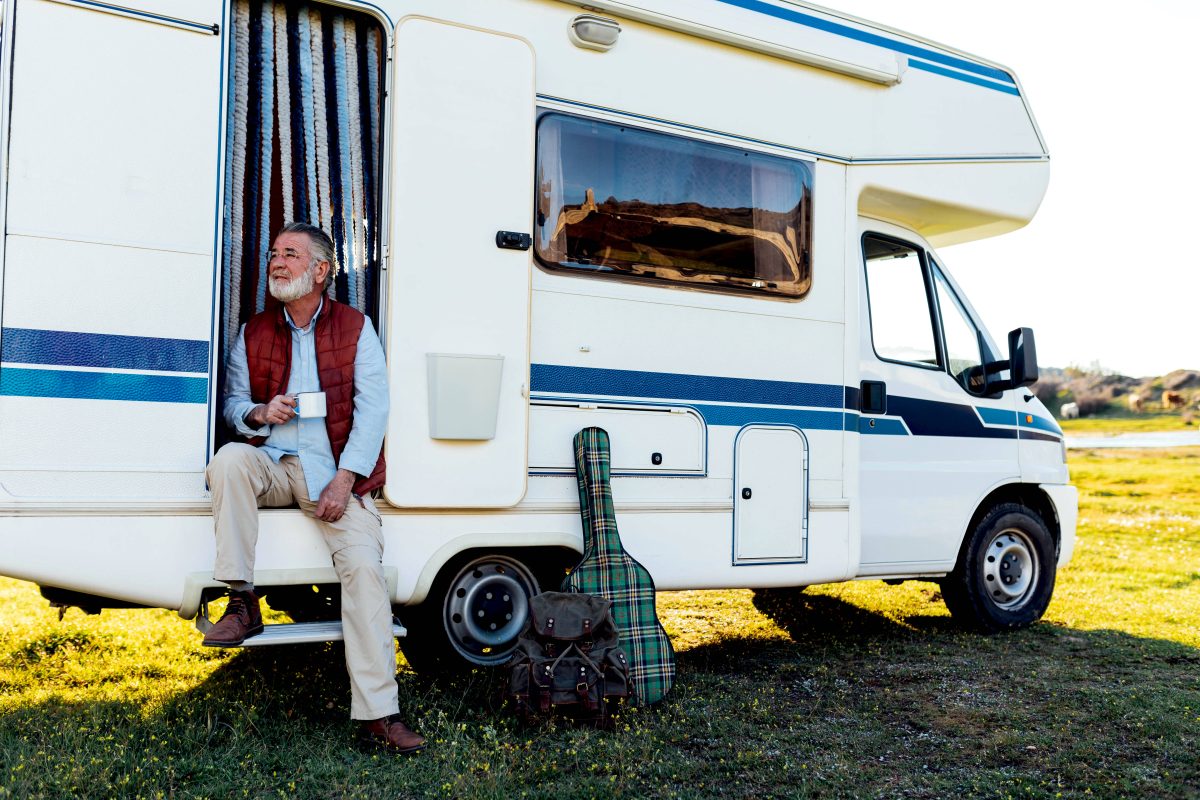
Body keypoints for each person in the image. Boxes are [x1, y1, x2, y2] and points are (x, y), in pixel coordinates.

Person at [204, 222, 424, 755]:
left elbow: (374, 411)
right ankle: (241, 599)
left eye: (291, 255)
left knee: (365, 574)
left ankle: (380, 715)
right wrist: (258, 411)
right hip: (275, 465)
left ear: (321, 270)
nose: (277, 262)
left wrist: (345, 480)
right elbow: (232, 403)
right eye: (274, 253)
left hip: (334, 475)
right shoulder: (254, 331)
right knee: (230, 459)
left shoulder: (355, 327)